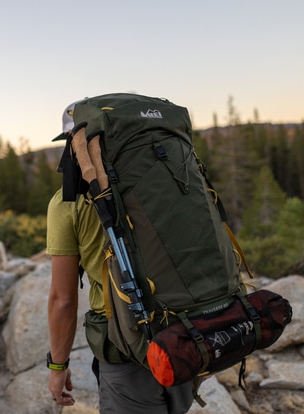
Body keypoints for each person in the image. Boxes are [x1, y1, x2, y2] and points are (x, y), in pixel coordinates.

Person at [45, 100, 193, 413]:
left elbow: (63, 299)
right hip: (187, 331)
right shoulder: (162, 183)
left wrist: (58, 367)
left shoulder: (69, 202)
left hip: (127, 345)